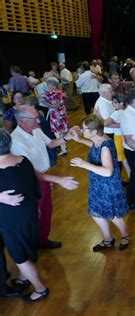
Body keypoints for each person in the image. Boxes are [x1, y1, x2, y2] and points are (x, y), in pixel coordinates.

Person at [10, 106, 79, 249]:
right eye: (34, 118)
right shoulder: (16, 141)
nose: (39, 121)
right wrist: (58, 179)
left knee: (46, 209)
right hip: (32, 180)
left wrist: (66, 137)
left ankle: (42, 239)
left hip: (44, 176)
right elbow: (29, 171)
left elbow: (50, 144)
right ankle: (32, 245)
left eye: (38, 117)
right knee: (36, 213)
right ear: (21, 121)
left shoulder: (36, 130)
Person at [68, 115, 130, 251]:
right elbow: (94, 146)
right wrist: (79, 139)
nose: (82, 131)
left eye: (84, 129)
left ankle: (125, 236)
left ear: (94, 131)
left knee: (112, 215)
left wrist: (84, 164)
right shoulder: (101, 140)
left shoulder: (105, 146)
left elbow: (108, 171)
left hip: (107, 187)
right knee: (96, 212)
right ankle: (108, 239)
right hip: (98, 185)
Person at [0, 129, 49, 302]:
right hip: (29, 212)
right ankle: (23, 279)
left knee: (19, 256)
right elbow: (35, 188)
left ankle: (40, 289)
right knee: (27, 247)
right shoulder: (24, 161)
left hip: (10, 219)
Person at [41, 77, 69, 156]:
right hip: (62, 112)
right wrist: (62, 106)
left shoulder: (49, 93)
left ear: (51, 85)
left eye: (48, 84)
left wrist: (50, 105)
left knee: (57, 132)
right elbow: (66, 99)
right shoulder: (61, 92)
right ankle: (64, 146)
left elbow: (41, 99)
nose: (47, 86)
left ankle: (63, 149)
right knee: (62, 130)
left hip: (55, 114)